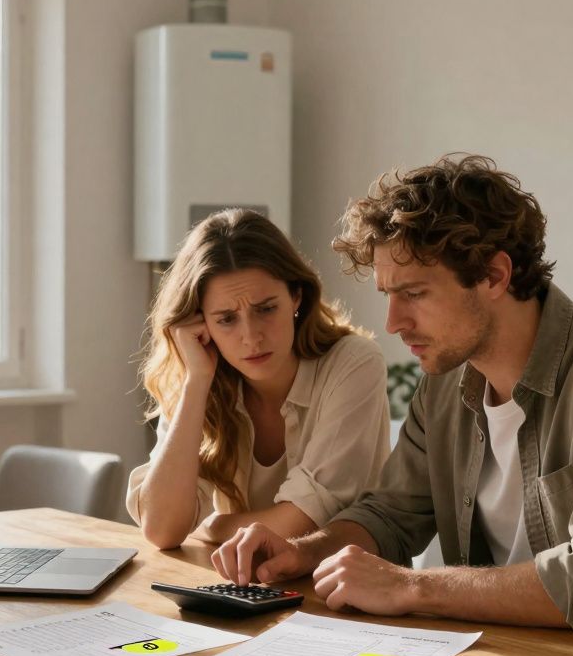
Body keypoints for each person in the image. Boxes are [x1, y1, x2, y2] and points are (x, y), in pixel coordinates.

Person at [209, 155, 573, 647]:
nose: (394, 323)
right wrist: (303, 552)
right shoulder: (446, 380)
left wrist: (413, 587)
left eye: (415, 294)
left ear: (494, 274)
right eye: (388, 296)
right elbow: (391, 516)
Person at [127, 208, 392, 550]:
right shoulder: (201, 375)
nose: (251, 337)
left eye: (266, 309)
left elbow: (303, 520)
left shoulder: (353, 362)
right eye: (226, 319)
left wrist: (209, 526)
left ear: (296, 296)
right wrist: (196, 383)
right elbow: (162, 529)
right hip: (239, 588)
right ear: (200, 323)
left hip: (343, 590)